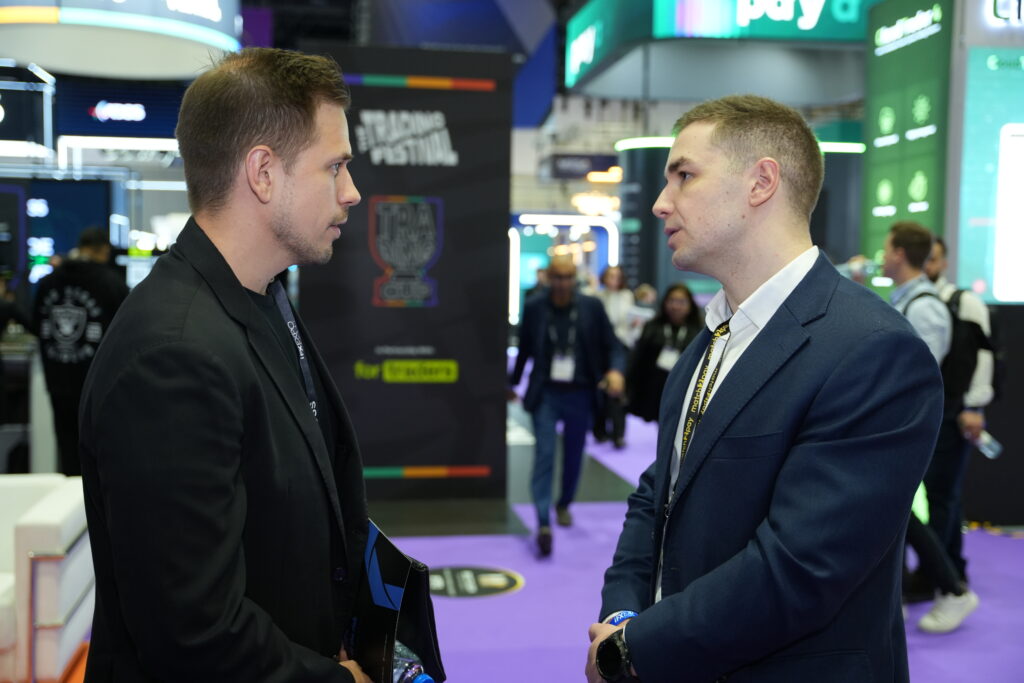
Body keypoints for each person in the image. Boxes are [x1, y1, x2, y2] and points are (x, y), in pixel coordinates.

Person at [587, 95, 942, 683]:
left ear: (761, 183)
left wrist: (633, 649)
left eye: (684, 175)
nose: (661, 202)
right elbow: (658, 494)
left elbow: (798, 571)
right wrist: (623, 616)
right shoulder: (710, 338)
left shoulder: (873, 350)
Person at [78, 48, 372, 683]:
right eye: (335, 166)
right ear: (263, 173)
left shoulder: (260, 298)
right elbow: (193, 632)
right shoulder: (173, 354)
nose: (351, 192)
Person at [881, 225, 979, 631]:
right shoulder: (906, 300)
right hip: (893, 422)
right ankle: (903, 592)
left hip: (905, 424)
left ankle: (952, 589)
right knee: (892, 509)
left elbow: (919, 375)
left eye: (886, 248)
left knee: (901, 508)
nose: (881, 256)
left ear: (900, 254)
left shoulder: (925, 307)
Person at [509, 255, 625, 556]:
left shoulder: (591, 307)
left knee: (574, 455)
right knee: (545, 455)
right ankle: (543, 522)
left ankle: (564, 504)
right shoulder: (535, 306)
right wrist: (511, 383)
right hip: (545, 393)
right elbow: (524, 348)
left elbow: (613, 345)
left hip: (580, 393)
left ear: (576, 278)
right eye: (558, 277)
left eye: (568, 277)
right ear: (548, 277)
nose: (563, 283)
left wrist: (615, 370)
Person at [920, 236, 994, 585]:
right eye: (925, 259)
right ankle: (950, 569)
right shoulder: (920, 300)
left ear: (945, 262)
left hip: (957, 410)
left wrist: (975, 406)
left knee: (943, 495)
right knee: (943, 495)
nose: (928, 266)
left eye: (934, 259)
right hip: (932, 410)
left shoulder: (965, 302)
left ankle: (939, 576)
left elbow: (984, 355)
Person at [32, 227, 128, 475]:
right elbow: (127, 332)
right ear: (103, 250)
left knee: (68, 453)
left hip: (58, 380)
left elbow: (38, 325)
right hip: (99, 387)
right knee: (100, 461)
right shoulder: (111, 283)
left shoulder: (48, 282)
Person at [625, 283, 703, 423]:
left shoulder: (700, 330)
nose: (675, 306)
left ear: (690, 305)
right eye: (671, 301)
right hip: (655, 389)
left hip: (686, 389)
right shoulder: (652, 326)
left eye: (681, 302)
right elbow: (638, 360)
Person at [593, 265, 634, 448]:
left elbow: (629, 322)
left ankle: (618, 434)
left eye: (617, 276)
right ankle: (600, 430)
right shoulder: (597, 296)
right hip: (601, 348)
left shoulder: (627, 296)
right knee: (601, 389)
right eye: (610, 276)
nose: (613, 279)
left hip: (622, 346)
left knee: (618, 390)